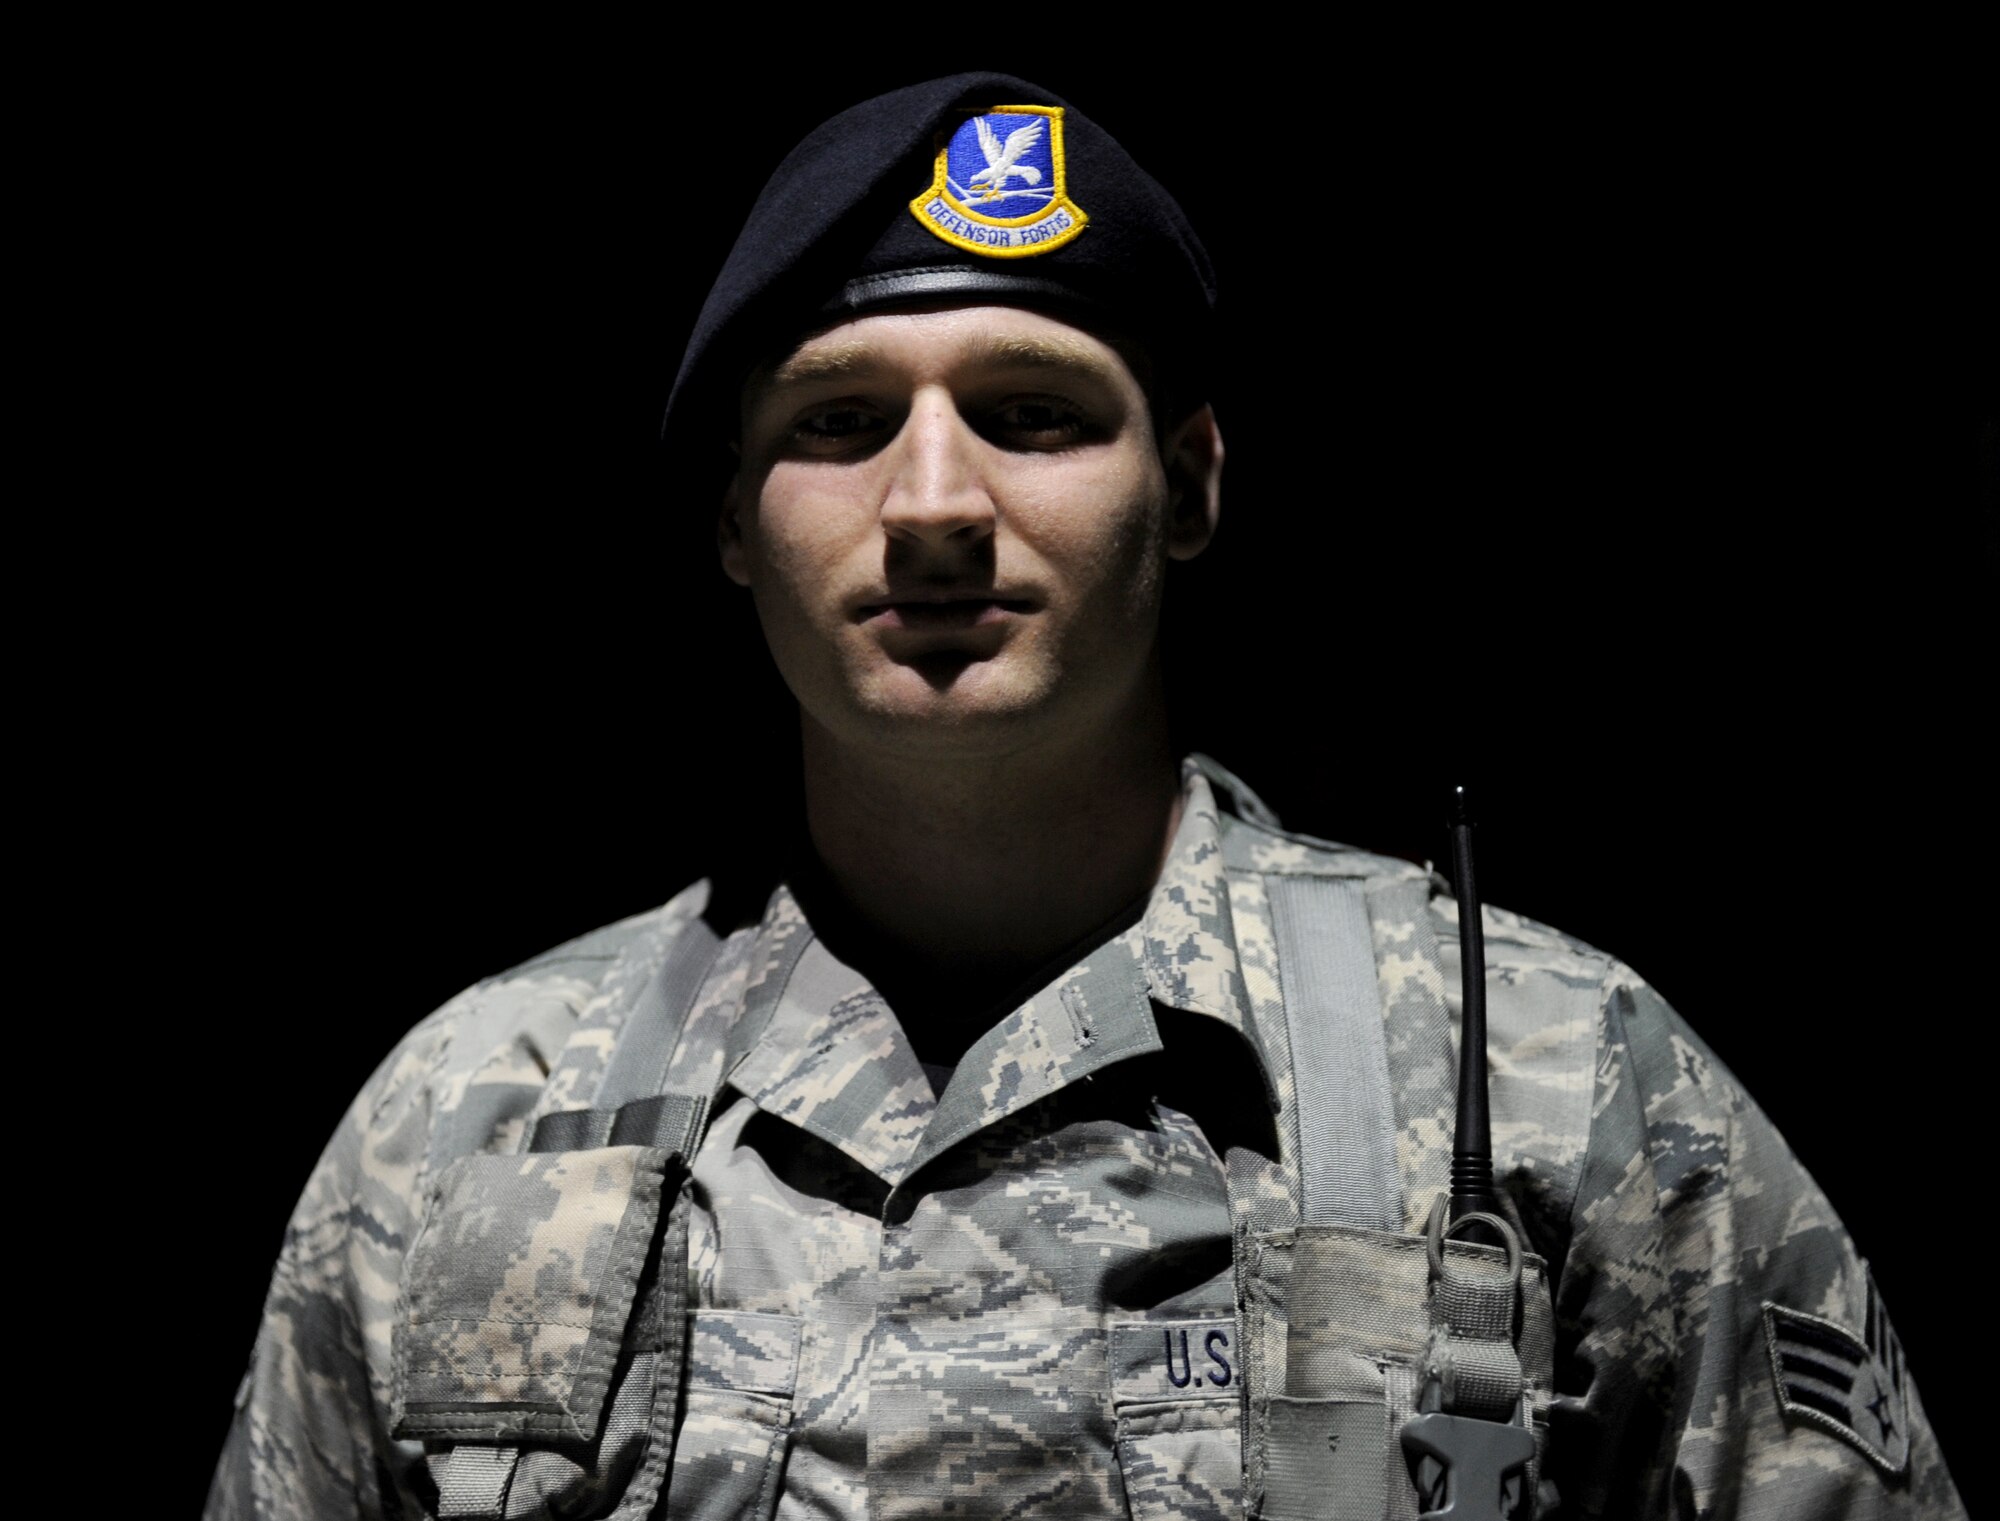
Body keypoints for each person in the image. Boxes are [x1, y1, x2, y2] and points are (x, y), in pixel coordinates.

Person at [206, 73, 1965, 1520]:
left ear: (1191, 485)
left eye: (1035, 411)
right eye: (836, 422)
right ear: (734, 522)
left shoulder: (1557, 1087)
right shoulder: (471, 1124)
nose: (935, 501)